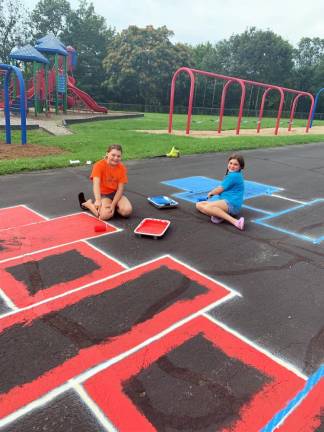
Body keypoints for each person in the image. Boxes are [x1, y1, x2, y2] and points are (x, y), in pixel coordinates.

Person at [78, 144, 132, 220]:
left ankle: (113, 206)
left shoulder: (122, 168)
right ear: (107, 154)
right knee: (104, 216)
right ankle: (89, 204)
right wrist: (98, 200)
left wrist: (113, 205)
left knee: (127, 211)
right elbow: (96, 184)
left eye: (118, 156)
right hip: (104, 195)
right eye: (113, 155)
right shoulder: (99, 165)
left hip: (116, 193)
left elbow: (120, 189)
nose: (116, 158)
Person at [196, 153, 245, 230]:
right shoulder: (233, 174)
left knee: (208, 207)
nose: (232, 166)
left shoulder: (233, 176)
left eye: (236, 164)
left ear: (240, 167)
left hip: (232, 204)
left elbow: (220, 189)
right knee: (199, 204)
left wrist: (211, 193)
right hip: (226, 202)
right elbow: (221, 187)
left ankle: (235, 222)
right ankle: (219, 214)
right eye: (230, 163)